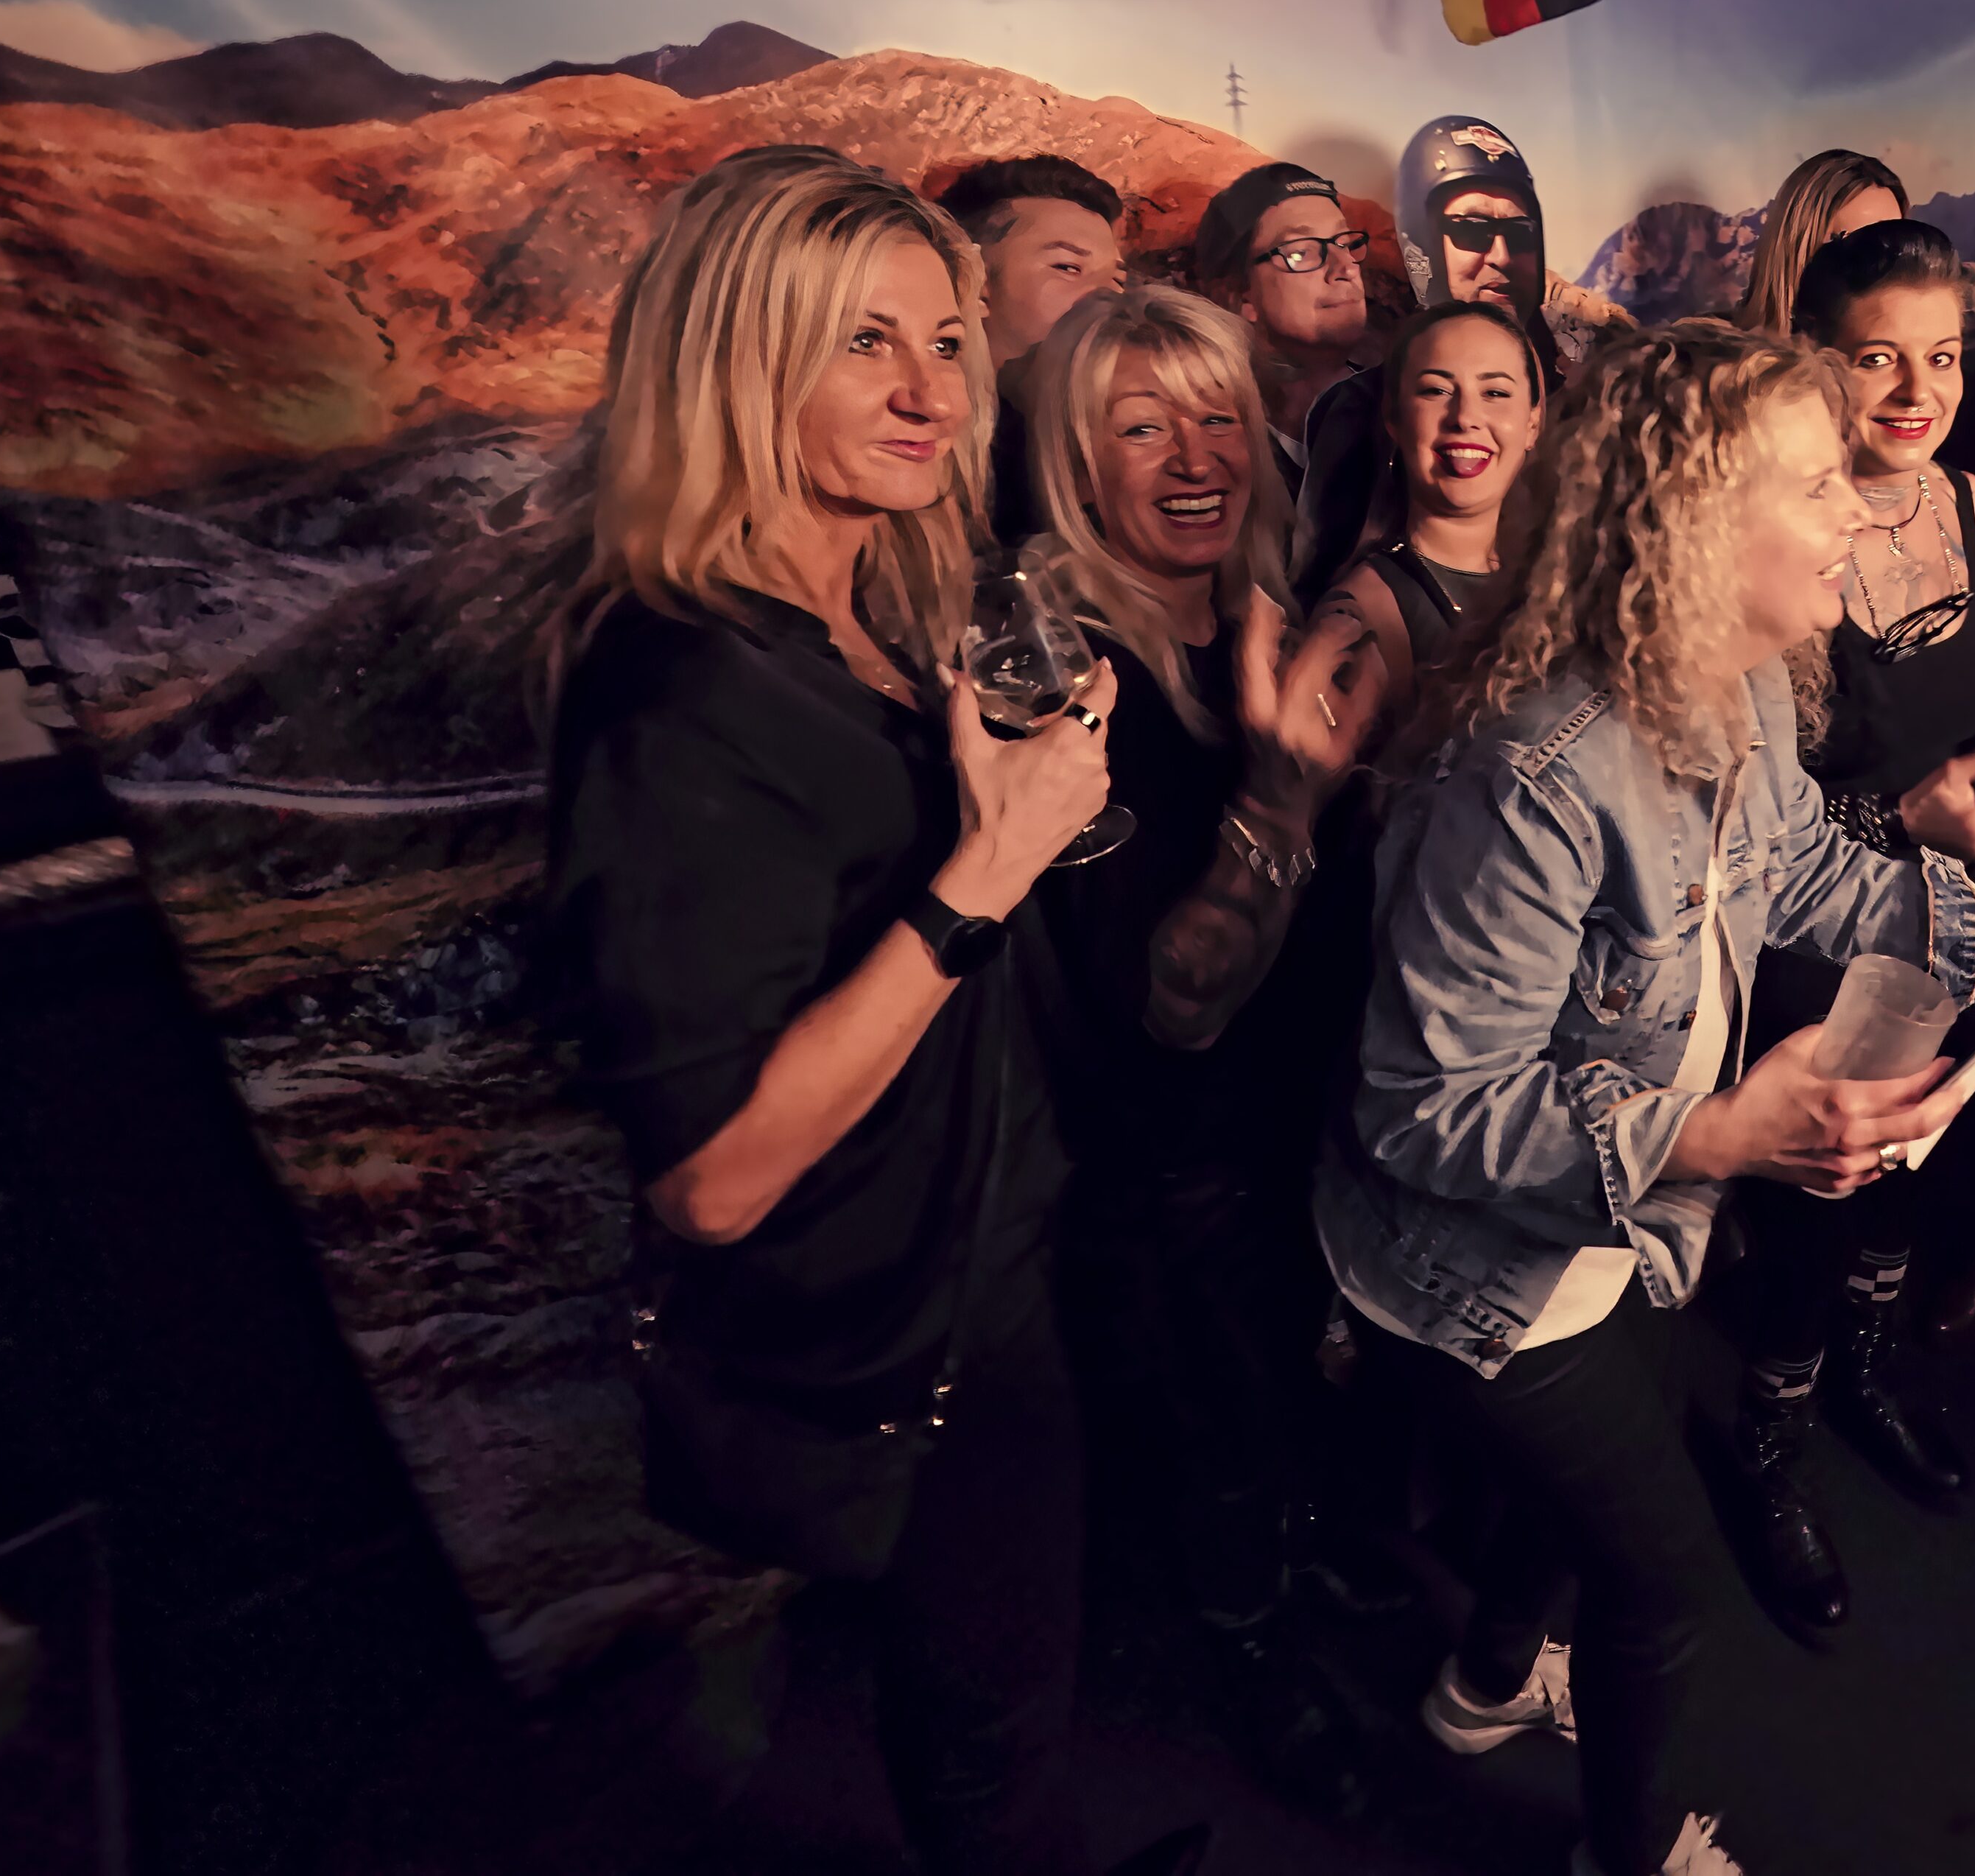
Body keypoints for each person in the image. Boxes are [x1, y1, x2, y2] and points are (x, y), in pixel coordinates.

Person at [1315, 323, 1975, 1876]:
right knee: (1662, 1581)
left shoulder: (1738, 685)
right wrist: (1717, 1134)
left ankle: (1480, 1685)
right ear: (1691, 520)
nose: (1855, 510)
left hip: (1622, 1229)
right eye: (1815, 485)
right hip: (1478, 1274)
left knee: (1576, 1502)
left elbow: (1804, 866)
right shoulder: (1529, 775)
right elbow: (1421, 1110)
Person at [541, 146, 1119, 1875]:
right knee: (988, 1733)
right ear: (738, 360)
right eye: (866, 342)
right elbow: (711, 1178)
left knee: (1003, 1683)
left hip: (985, 1246)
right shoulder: (676, 687)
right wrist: (988, 868)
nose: (933, 392)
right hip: (895, 1318)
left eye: (945, 341)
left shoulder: (870, 610)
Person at [1714, 218, 1975, 1635]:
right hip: (1823, 928)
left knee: (1916, 1168)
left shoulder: (1961, 500)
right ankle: (1769, 1444)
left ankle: (1867, 1366)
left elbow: (1966, 691)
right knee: (1813, 1200)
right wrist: (1910, 812)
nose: (1916, 389)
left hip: (1958, 916)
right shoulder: (1781, 529)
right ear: (1814, 361)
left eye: (1944, 357)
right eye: (1878, 357)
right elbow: (1754, 822)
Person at [1021, 283, 1395, 1808]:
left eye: (1219, 417)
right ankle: (1251, 1655)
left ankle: (1307, 1575)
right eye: (1142, 426)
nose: (1196, 456)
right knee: (1222, 1433)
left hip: (1302, 1121)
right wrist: (1285, 797)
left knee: (1303, 1399)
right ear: (1072, 461)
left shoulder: (1259, 616)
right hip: (1175, 1169)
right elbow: (1176, 1003)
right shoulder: (1060, 677)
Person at [1297, 114, 1562, 594]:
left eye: (1521, 233)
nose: (1501, 256)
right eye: (1472, 232)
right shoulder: (1359, 407)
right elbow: (1320, 580)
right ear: (1422, 241)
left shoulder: (1581, 400)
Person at [1313, 299, 1546, 723]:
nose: (1465, 417)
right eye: (1436, 390)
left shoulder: (1554, 580)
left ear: (1532, 423)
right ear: (1395, 419)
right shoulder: (1359, 616)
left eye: (1495, 393)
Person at [942, 153, 1127, 544]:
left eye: (1117, 279)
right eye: (1067, 267)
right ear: (973, 281)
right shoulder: (923, 443)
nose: (1109, 297)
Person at [1191, 161, 1376, 493]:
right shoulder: (1208, 449)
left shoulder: (1406, 407)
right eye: (1301, 252)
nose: (1346, 268)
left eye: (1345, 243)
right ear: (1238, 295)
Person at [1729, 147, 1907, 335]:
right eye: (1859, 245)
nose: (1882, 266)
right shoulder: (1723, 350)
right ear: (1797, 247)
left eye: (1896, 246)